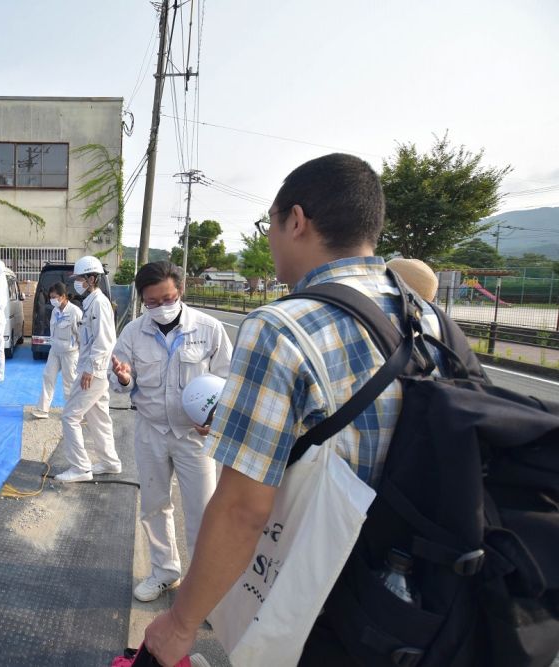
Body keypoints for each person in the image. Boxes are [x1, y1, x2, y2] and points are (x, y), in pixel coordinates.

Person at [143, 153, 451, 665]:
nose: (269, 237)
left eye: (270, 224)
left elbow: (244, 508)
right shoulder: (425, 315)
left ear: (297, 221)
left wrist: (181, 623)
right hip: (413, 586)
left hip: (321, 586)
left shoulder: (280, 327)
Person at [109, 261, 233, 603]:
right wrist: (122, 378)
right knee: (153, 504)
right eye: (152, 302)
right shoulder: (133, 332)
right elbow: (120, 383)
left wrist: (215, 420)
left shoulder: (209, 330)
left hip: (195, 437)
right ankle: (165, 572)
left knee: (202, 511)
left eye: (168, 298)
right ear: (142, 300)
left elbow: (228, 382)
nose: (162, 307)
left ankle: (201, 587)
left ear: (180, 292)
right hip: (150, 430)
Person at [56, 255, 121, 483]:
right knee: (99, 418)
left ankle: (81, 468)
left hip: (93, 371)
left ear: (92, 278)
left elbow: (105, 340)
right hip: (94, 370)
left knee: (70, 416)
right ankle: (110, 462)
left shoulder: (100, 304)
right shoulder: (91, 302)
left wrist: (90, 370)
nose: (77, 282)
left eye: (81, 278)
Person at [32, 282, 82, 419]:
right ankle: (43, 409)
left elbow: (81, 336)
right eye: (51, 297)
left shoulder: (75, 312)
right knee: (48, 377)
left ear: (63, 296)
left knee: (70, 382)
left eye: (55, 297)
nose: (52, 300)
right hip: (55, 350)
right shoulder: (55, 311)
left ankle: (73, 412)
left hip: (70, 353)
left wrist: (82, 355)